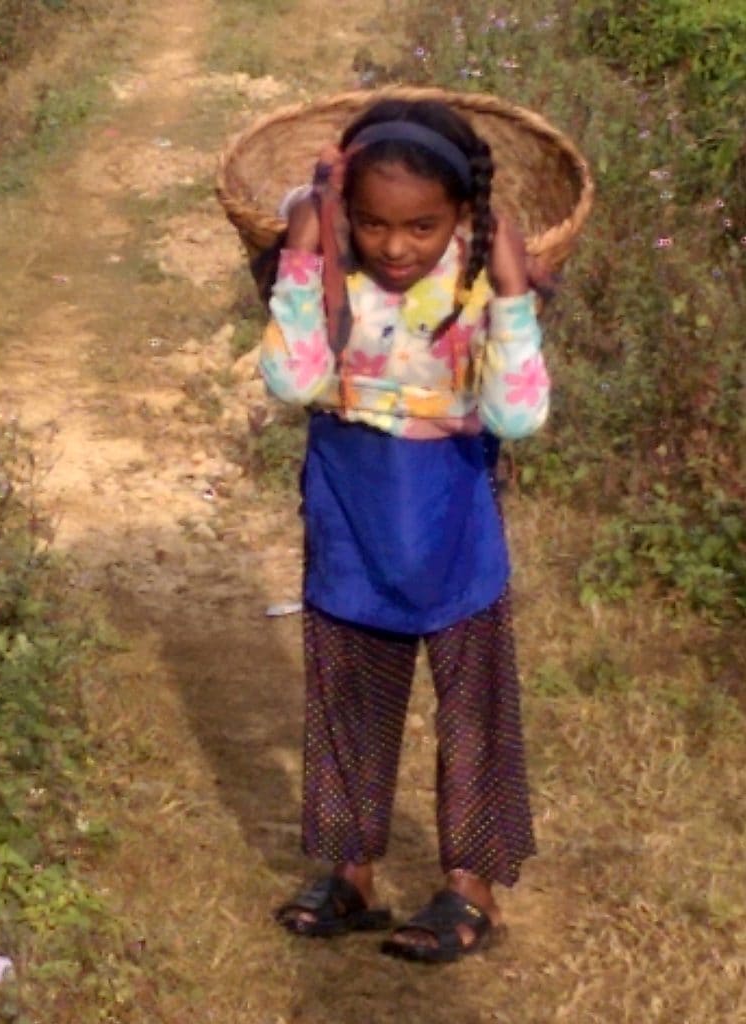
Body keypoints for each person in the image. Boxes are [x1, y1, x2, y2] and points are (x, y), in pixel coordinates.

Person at [258, 97, 550, 963]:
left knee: (473, 707)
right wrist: (306, 251)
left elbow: (517, 414)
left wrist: (510, 288)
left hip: (452, 516)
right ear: (348, 213)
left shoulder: (474, 281)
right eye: (374, 224)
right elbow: (290, 380)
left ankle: (473, 889)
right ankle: (351, 875)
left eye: (421, 226)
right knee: (347, 692)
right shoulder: (328, 268)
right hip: (351, 509)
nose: (395, 246)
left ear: (462, 216)